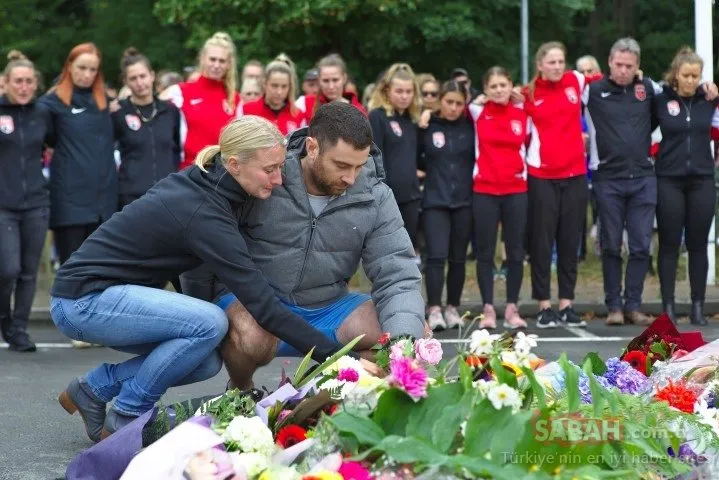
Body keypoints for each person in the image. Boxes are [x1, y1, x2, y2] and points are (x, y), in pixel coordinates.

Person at [51, 116, 378, 443]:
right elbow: (262, 305)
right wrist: (339, 358)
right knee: (209, 324)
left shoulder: (211, 182)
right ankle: (127, 414)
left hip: (109, 297)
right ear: (234, 164)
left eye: (280, 167)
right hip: (83, 300)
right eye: (269, 170)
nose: (279, 180)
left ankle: (93, 389)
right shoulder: (205, 210)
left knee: (205, 359)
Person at [181, 102, 426, 390]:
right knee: (250, 334)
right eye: (342, 165)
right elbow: (204, 235)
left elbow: (398, 274)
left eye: (359, 166)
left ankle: (326, 392)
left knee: (407, 333)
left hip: (328, 307)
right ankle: (241, 390)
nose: (351, 178)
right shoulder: (267, 173)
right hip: (259, 303)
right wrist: (204, 300)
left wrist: (403, 346)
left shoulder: (376, 196)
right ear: (312, 147)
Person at [583, 38, 716, 325]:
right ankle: (615, 307)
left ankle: (634, 305)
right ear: (609, 62)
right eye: (618, 65)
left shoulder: (650, 91)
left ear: (637, 67)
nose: (623, 70)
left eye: (629, 66)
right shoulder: (592, 90)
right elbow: (560, 96)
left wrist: (709, 90)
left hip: (644, 177)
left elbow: (678, 97)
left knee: (642, 246)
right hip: (609, 178)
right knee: (611, 245)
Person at [522, 41, 591, 329]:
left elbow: (607, 80)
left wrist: (638, 75)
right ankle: (544, 305)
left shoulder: (576, 80)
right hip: (542, 176)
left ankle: (566, 303)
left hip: (575, 174)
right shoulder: (527, 93)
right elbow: (489, 102)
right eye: (551, 62)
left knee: (570, 239)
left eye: (561, 61)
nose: (557, 67)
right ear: (540, 65)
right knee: (542, 240)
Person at [653, 47, 719, 325]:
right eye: (686, 75)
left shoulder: (710, 101)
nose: (691, 80)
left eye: (696, 75)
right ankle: (668, 306)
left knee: (698, 244)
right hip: (668, 179)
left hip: (702, 179)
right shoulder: (661, 100)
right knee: (669, 243)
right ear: (676, 75)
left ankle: (697, 306)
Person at [38, 42, 117, 265]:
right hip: (70, 203)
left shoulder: (106, 104)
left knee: (102, 272)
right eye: (82, 68)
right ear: (69, 66)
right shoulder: (50, 104)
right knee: (71, 271)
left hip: (104, 203)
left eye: (93, 69)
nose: (87, 74)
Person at [0, 51, 53, 352]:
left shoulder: (43, 113)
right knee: (7, 269)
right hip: (3, 205)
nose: (23, 87)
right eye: (17, 81)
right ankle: (4, 317)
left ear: (36, 84)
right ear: (6, 82)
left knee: (28, 271)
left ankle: (19, 329)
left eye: (28, 81)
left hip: (36, 201)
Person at [470, 67, 530, 330]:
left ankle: (512, 308)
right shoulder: (476, 111)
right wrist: (476, 100)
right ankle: (488, 309)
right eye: (493, 86)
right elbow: (457, 102)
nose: (498, 90)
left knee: (515, 252)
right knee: (485, 253)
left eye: (503, 85)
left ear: (511, 86)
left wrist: (521, 98)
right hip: (484, 190)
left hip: (516, 189)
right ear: (485, 89)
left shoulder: (522, 112)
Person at [417, 80, 474, 330]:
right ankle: (434, 308)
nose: (453, 108)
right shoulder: (428, 126)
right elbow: (416, 156)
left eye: (459, 103)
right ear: (440, 101)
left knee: (458, 258)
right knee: (436, 257)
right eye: (449, 102)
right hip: (435, 201)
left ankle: (452, 306)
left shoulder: (471, 127)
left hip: (464, 201)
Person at [112, 48, 181, 209]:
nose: (139, 82)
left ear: (152, 76)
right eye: (133, 78)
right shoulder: (119, 112)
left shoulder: (170, 111)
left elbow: (176, 148)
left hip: (168, 195)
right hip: (132, 197)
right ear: (126, 82)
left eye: (143, 76)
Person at [368, 64, 423, 258]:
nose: (404, 96)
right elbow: (375, 157)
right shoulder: (377, 116)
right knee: (387, 254)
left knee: (407, 253)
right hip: (388, 197)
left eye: (409, 91)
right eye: (399, 91)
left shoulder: (412, 119)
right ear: (387, 90)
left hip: (411, 197)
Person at [165, 32, 241, 170]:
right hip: (189, 171)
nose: (216, 65)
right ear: (202, 59)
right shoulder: (181, 92)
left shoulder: (235, 99)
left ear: (229, 64)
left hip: (223, 174)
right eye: (212, 59)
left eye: (222, 61)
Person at [241, 61, 304, 135]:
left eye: (284, 86)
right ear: (264, 84)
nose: (279, 92)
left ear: (290, 87)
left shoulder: (298, 115)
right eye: (274, 85)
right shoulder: (247, 110)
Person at [297, 54, 366, 122]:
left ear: (344, 78)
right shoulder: (305, 104)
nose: (331, 86)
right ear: (319, 80)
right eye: (325, 80)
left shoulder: (358, 110)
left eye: (335, 80)